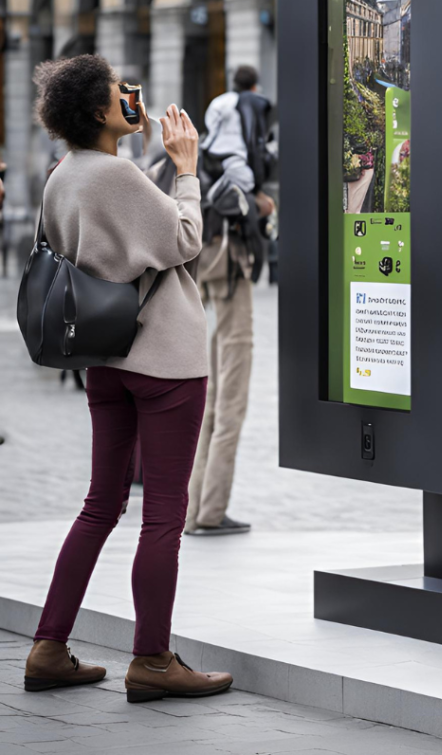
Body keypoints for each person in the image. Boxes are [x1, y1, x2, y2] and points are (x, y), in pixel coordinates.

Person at [22, 54, 232, 700]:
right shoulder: (117, 173)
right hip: (163, 358)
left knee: (100, 504)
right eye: (122, 93)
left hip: (104, 359)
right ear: (98, 110)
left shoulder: (66, 175)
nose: (134, 98)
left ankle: (49, 646)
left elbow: (94, 236)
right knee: (163, 513)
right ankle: (154, 660)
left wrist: (160, 167)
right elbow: (184, 240)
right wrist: (189, 169)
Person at [185, 65, 275, 537]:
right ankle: (211, 511)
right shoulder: (246, 118)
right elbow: (246, 188)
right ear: (255, 90)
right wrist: (262, 202)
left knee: (209, 395)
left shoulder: (212, 120)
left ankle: (194, 509)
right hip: (231, 264)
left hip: (201, 264)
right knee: (232, 393)